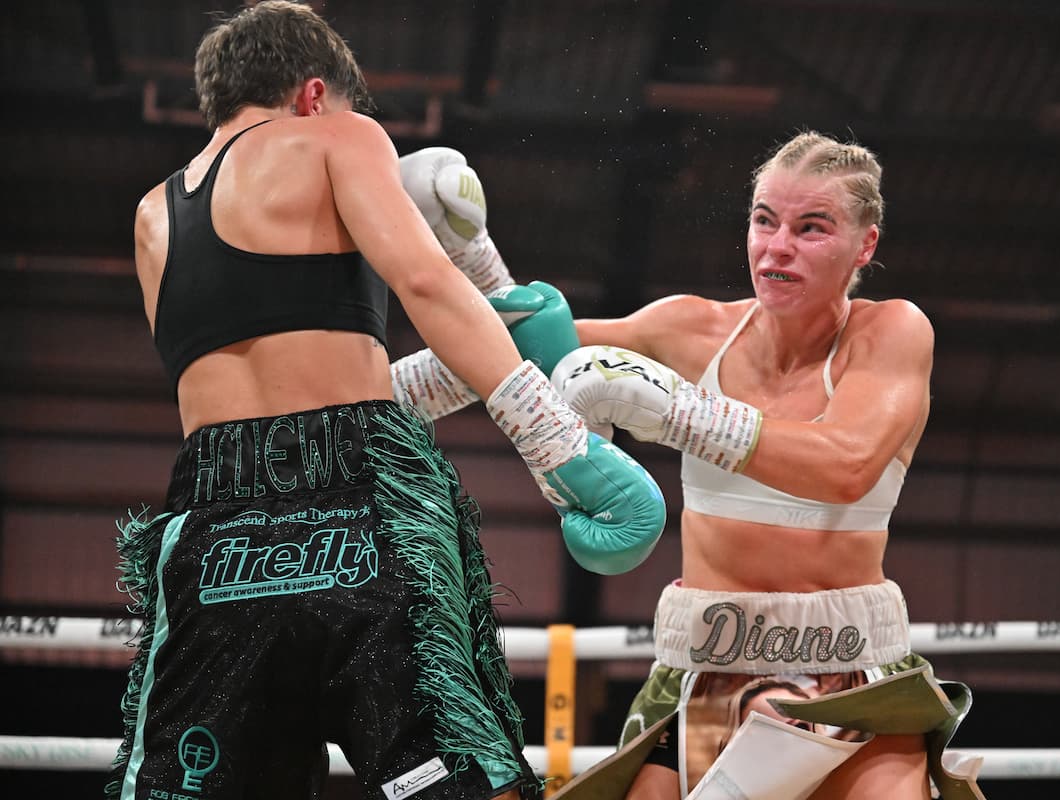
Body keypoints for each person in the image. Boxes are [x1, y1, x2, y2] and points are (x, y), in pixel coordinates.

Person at [108, 3, 665, 799]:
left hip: (210, 531)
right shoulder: (341, 136)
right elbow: (428, 283)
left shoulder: (152, 215)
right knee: (458, 778)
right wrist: (556, 445)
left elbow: (275, 393)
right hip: (361, 509)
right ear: (312, 93)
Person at [401, 132, 984, 799]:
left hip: (853, 675)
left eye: (811, 227)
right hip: (705, 669)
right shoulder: (689, 329)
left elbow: (845, 466)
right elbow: (523, 354)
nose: (778, 245)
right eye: (764, 221)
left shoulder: (890, 334)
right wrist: (468, 261)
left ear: (865, 245)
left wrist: (680, 412)